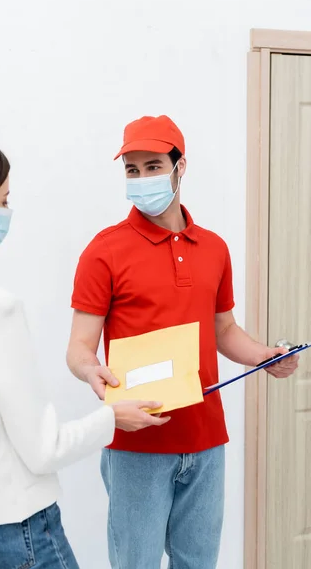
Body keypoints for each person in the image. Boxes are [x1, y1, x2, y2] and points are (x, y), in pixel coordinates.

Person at [0, 136, 169, 569]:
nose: (6, 214)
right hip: (15, 530)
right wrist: (113, 417)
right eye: (3, 201)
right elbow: (44, 448)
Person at [66, 115, 299, 569]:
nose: (141, 179)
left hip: (206, 439)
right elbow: (79, 347)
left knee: (198, 564)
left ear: (180, 167)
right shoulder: (103, 251)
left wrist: (265, 356)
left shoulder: (214, 248)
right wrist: (91, 372)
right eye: (132, 170)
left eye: (153, 166)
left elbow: (223, 330)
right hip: (136, 445)